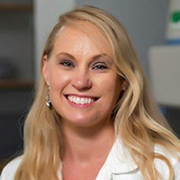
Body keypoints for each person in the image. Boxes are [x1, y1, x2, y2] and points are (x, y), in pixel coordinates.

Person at [1, 5, 180, 180]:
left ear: (123, 79)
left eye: (99, 66)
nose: (81, 82)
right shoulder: (16, 173)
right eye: (67, 63)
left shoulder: (167, 168)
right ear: (46, 69)